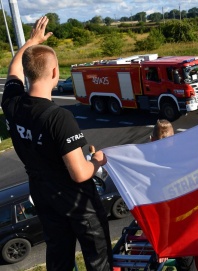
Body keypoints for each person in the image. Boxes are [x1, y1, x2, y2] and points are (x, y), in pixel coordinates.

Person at [1, 16, 112, 270]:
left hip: (42, 193)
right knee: (98, 258)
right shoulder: (59, 117)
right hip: (76, 202)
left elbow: (13, 70)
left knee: (58, 255)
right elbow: (79, 173)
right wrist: (97, 161)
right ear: (55, 72)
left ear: (28, 74)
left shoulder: (12, 103)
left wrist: (31, 42)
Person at [149, 119, 197, 271]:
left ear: (153, 139)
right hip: (187, 221)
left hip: (169, 225)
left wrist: (162, 244)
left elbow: (164, 211)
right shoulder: (182, 155)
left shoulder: (149, 161)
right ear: (174, 137)